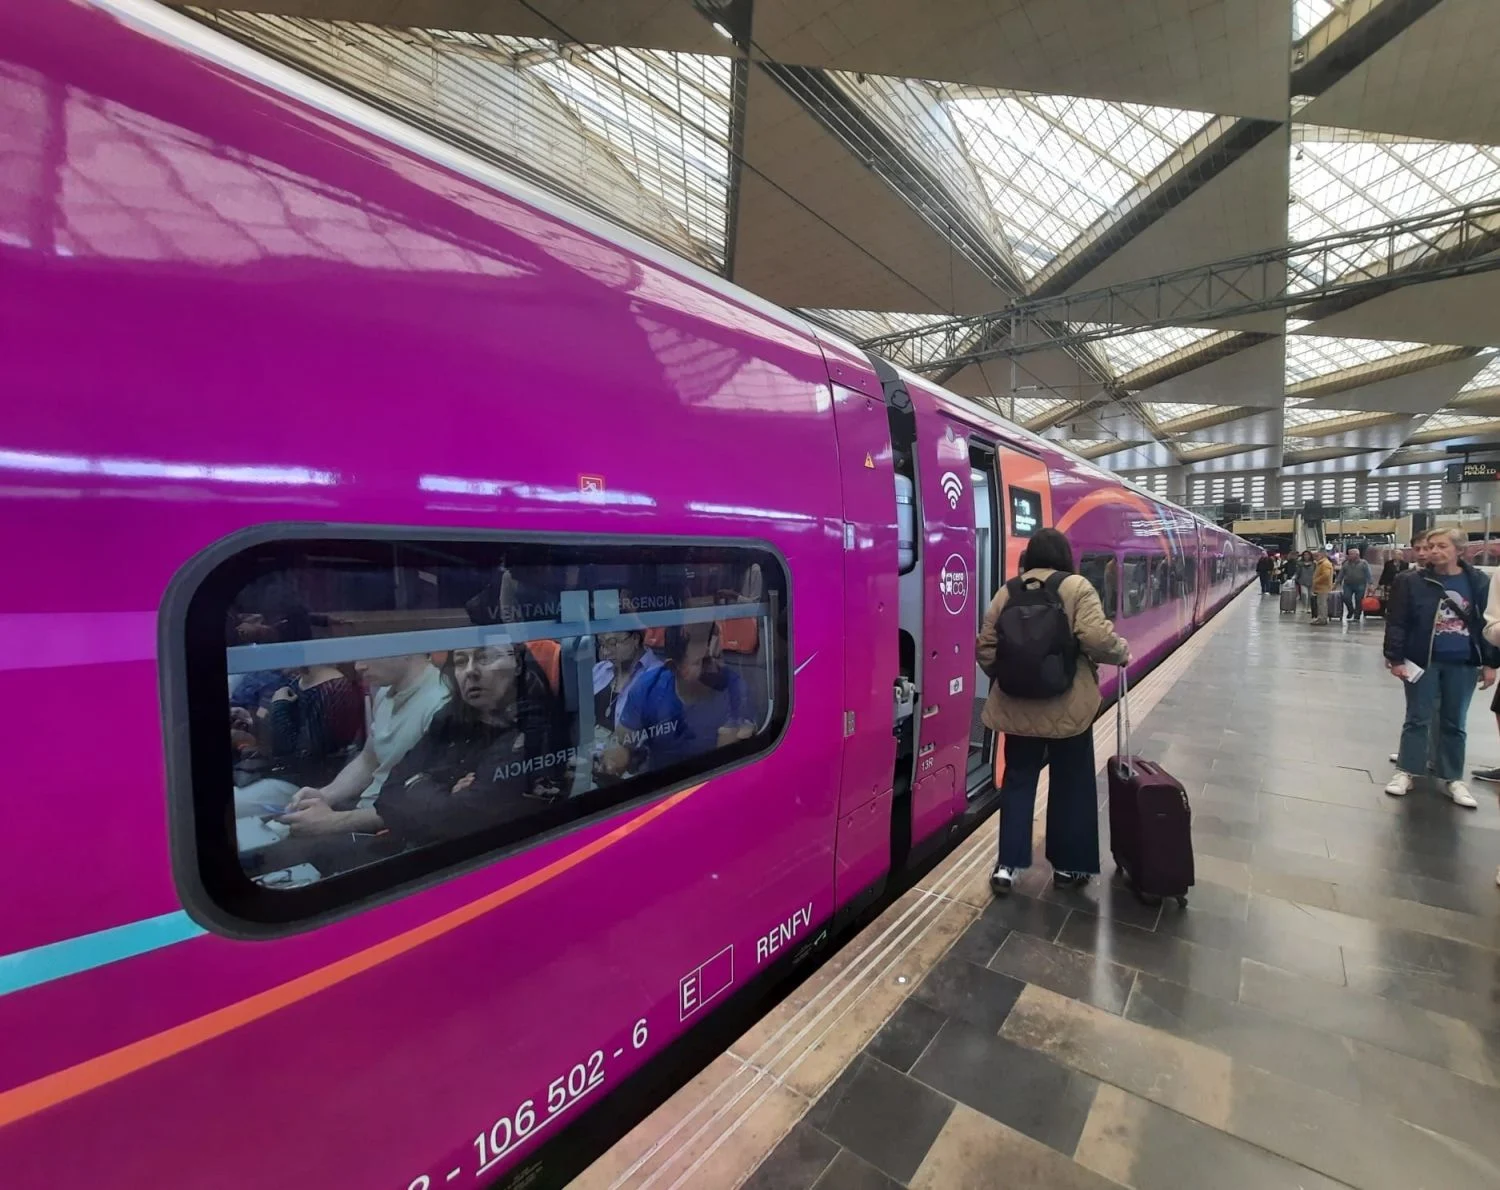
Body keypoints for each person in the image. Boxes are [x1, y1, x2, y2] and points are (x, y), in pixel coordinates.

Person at [977, 528, 1130, 894]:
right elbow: (1097, 639)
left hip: (1017, 709)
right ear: (1064, 556)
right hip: (1068, 710)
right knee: (1071, 783)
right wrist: (1121, 651)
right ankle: (1068, 868)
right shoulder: (1077, 587)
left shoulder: (1007, 592)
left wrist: (1011, 676)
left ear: (1030, 556)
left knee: (1018, 781)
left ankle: (1007, 867)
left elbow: (985, 649)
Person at [376, 645, 568, 849]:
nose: (470, 671)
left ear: (518, 664)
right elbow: (387, 797)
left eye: (484, 658)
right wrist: (448, 793)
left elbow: (462, 820)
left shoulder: (531, 730)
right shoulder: (448, 718)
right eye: (460, 662)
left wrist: (418, 784)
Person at [1383, 528, 1498, 807]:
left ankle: (1452, 777)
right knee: (1417, 718)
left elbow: (1488, 623)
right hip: (1423, 661)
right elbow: (1397, 622)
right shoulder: (1411, 581)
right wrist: (1395, 658)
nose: (1434, 551)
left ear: (1460, 550)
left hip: (1464, 661)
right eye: (1431, 546)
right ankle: (1407, 770)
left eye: (1442, 546)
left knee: (1454, 722)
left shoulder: (1478, 581)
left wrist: (1490, 662)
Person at [278, 653, 450, 836]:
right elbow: (368, 761)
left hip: (396, 829)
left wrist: (334, 821)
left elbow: (424, 806)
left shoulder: (441, 703)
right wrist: (325, 795)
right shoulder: (385, 692)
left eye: (369, 653)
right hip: (367, 810)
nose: (358, 666)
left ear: (405, 650)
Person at [610, 623, 752, 775]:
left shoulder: (733, 687)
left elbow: (724, 765)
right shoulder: (647, 688)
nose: (716, 667)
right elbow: (624, 744)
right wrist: (616, 760)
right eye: (704, 662)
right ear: (673, 667)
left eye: (718, 657)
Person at [1340, 547, 1373, 622]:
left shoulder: (1364, 563)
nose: (1349, 556)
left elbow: (1368, 573)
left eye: (1351, 554)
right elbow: (1341, 574)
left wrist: (1370, 584)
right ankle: (1351, 610)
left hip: (1360, 584)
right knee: (1346, 598)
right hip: (1348, 584)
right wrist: (1336, 583)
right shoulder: (1346, 563)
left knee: (1359, 600)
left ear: (1357, 555)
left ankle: (1357, 616)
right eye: (1349, 554)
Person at [1311, 550, 1335, 625]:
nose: (1315, 558)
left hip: (1323, 587)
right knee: (1320, 603)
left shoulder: (1325, 564)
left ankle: (1322, 619)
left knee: (1322, 604)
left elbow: (1326, 575)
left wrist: (1316, 581)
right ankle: (1321, 618)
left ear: (1322, 555)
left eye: (1317, 556)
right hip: (1321, 587)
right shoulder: (1321, 563)